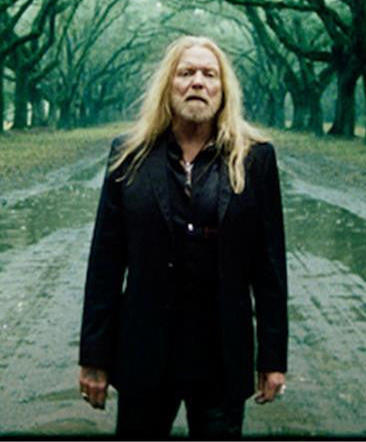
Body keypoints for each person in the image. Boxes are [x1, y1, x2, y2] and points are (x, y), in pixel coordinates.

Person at [77, 35, 288, 439]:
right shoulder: (129, 155)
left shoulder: (255, 158)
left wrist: (273, 359)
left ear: (223, 89)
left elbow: (269, 267)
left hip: (222, 355)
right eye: (186, 72)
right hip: (145, 352)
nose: (197, 82)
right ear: (168, 85)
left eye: (209, 74)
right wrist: (94, 357)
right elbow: (105, 263)